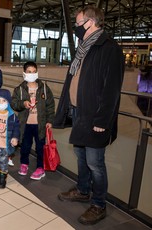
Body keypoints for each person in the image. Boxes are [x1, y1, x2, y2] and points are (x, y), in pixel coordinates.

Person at [53, 6, 124, 225]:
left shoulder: (109, 48)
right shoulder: (85, 47)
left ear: (91, 22)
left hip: (95, 117)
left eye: (78, 23)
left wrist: (103, 121)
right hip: (79, 112)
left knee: (95, 162)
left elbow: (112, 89)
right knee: (81, 155)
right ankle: (83, 190)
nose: (76, 27)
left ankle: (99, 204)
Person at [11, 61, 55, 180]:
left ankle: (40, 168)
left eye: (34, 71)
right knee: (25, 146)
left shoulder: (44, 88)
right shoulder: (19, 89)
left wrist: (50, 120)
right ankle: (24, 164)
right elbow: (14, 103)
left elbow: (50, 105)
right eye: (29, 72)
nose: (32, 74)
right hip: (26, 124)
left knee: (40, 147)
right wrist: (23, 104)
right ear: (24, 73)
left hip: (40, 124)